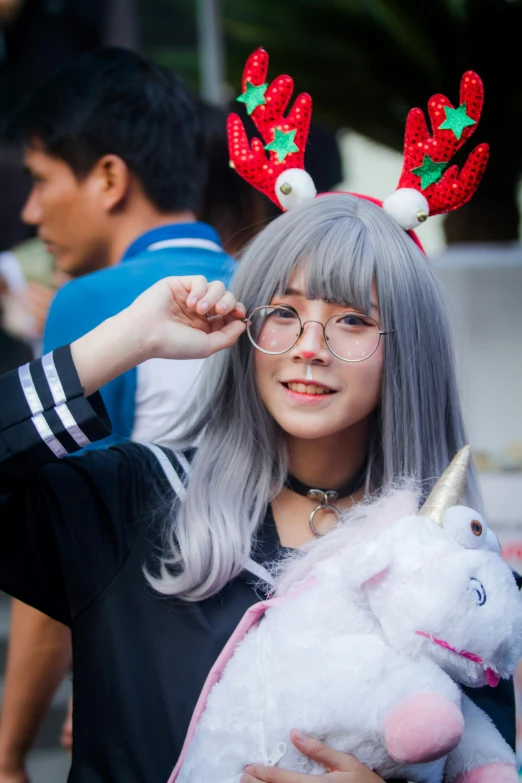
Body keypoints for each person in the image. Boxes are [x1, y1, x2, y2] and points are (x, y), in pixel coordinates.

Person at [0, 54, 514, 783]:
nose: (309, 347)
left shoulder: (452, 575)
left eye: (353, 319)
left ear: (412, 353)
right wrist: (128, 338)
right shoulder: (136, 501)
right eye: (284, 311)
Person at [0, 46, 238, 781]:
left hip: (142, 687)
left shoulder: (95, 302)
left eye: (40, 180)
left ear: (108, 177)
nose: (30, 211)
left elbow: (60, 555)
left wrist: (8, 752)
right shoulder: (263, 286)